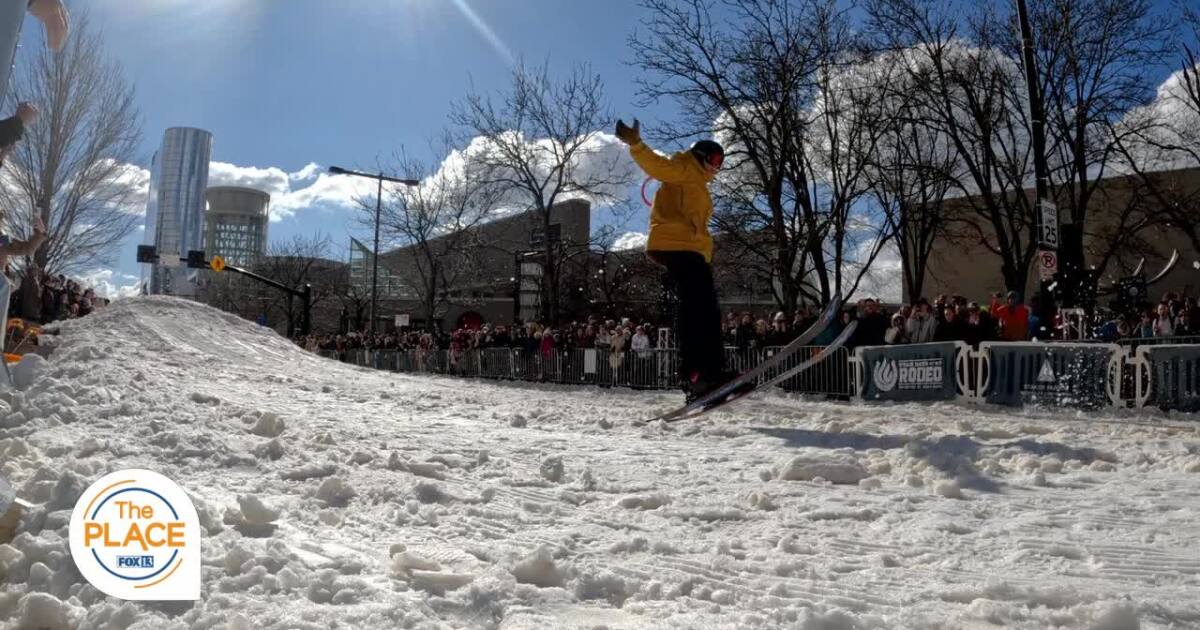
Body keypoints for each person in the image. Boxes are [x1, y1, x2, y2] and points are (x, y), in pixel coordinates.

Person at [616, 117, 741, 403]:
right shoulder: (685, 167)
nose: (717, 166)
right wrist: (636, 145)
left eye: (721, 161)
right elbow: (659, 167)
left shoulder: (700, 186)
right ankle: (697, 373)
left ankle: (708, 372)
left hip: (691, 252)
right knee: (699, 312)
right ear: (701, 155)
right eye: (714, 157)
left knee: (706, 312)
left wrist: (706, 256)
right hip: (675, 246)